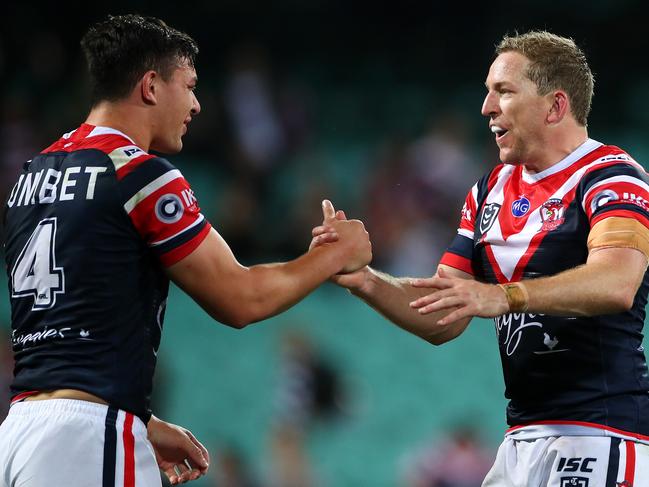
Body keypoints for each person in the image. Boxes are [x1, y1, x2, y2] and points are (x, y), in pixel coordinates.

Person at [0, 14, 371, 487]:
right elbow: (239, 299)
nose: (197, 105)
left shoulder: (29, 177)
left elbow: (66, 334)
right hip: (87, 438)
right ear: (151, 86)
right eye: (190, 85)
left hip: (17, 432)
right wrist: (334, 255)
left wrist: (144, 421)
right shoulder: (137, 173)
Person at [313, 31, 649, 486]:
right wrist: (365, 279)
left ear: (555, 106)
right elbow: (444, 314)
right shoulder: (489, 190)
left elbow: (616, 282)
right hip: (519, 443)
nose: (486, 108)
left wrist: (502, 295)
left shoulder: (613, 176)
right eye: (488, 92)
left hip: (601, 433)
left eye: (504, 92)